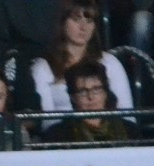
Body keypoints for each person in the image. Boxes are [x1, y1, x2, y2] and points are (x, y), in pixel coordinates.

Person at [31, 0, 133, 128]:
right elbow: (47, 122)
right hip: (64, 138)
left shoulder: (111, 63)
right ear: (63, 23)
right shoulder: (43, 67)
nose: (83, 27)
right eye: (76, 19)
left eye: (89, 21)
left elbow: (127, 115)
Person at [41, 58, 141, 143]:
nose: (91, 97)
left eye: (96, 89)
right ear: (73, 97)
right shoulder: (57, 135)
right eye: (83, 92)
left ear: (105, 93)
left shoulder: (130, 131)